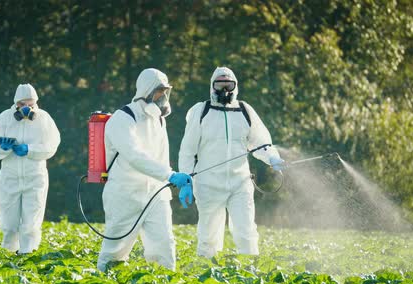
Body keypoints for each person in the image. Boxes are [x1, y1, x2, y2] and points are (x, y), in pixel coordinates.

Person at [178, 67, 284, 258]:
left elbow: (260, 142)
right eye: (220, 84)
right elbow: (187, 150)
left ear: (235, 86)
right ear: (212, 86)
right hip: (208, 183)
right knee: (209, 234)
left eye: (228, 84)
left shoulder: (244, 110)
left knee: (246, 231)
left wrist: (272, 157)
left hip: (240, 183)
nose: (224, 89)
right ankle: (207, 271)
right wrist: (186, 179)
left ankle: (250, 270)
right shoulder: (202, 111)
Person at [96, 68, 193, 272]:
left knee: (164, 248)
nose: (163, 96)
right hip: (125, 193)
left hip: (156, 195)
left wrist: (173, 182)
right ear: (147, 90)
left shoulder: (159, 120)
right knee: (115, 251)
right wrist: (170, 175)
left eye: (165, 91)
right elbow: (134, 156)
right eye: (159, 91)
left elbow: (160, 157)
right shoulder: (123, 118)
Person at [0, 83, 61, 254]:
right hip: (10, 176)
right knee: (9, 222)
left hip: (35, 177)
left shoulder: (44, 118)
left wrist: (30, 150)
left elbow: (52, 145)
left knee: (31, 222)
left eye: (30, 104)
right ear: (16, 104)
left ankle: (28, 256)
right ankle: (8, 255)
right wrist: (2, 148)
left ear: (35, 102)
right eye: (23, 105)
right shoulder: (5, 118)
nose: (27, 108)